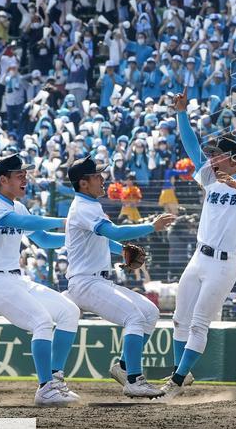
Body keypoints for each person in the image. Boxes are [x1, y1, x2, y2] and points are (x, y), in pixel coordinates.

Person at [161, 92, 236, 399]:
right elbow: (192, 148)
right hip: (199, 257)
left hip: (224, 263)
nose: (212, 158)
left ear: (234, 160)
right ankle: (182, 374)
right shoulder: (210, 176)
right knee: (179, 320)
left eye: (219, 154)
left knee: (199, 324)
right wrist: (181, 114)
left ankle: (176, 381)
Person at [63, 156, 176, 398]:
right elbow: (113, 231)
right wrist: (150, 227)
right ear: (83, 183)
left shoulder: (90, 204)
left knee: (150, 312)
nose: (102, 179)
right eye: (96, 176)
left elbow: (103, 239)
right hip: (85, 282)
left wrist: (123, 251)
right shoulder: (83, 207)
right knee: (134, 316)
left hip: (97, 280)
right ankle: (135, 380)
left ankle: (124, 368)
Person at [0, 154, 81, 406]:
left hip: (16, 279)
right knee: (42, 321)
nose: (25, 179)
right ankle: (45, 389)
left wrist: (76, 236)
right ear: (3, 179)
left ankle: (55, 381)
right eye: (20, 175)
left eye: (25, 175)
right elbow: (21, 222)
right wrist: (67, 221)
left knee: (69, 312)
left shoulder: (18, 205)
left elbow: (43, 239)